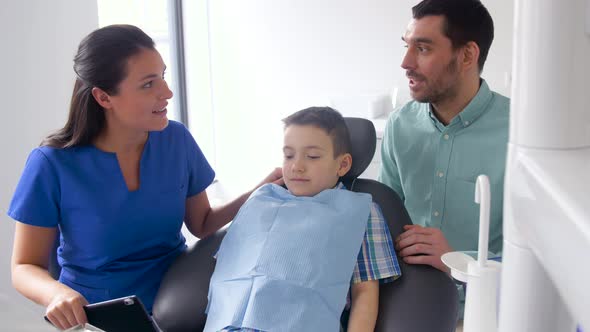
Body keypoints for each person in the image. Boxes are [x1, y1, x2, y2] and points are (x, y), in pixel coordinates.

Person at [7, 24, 282, 331]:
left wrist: (262, 191)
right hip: (98, 316)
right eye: (148, 84)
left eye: (163, 76)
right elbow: (24, 266)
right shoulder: (51, 164)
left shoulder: (175, 139)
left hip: (178, 301)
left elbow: (202, 223)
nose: (167, 93)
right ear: (103, 97)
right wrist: (57, 293)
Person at [204, 107, 401, 332]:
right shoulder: (261, 201)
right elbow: (230, 266)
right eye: (289, 155)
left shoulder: (361, 212)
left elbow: (364, 293)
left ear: (342, 164)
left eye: (312, 156)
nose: (296, 166)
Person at [378, 0, 509, 316]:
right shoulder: (400, 125)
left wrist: (456, 261)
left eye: (422, 49)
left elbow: (542, 259)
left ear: (466, 55)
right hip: (405, 305)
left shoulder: (521, 135)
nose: (405, 62)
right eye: (407, 46)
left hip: (487, 312)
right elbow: (385, 223)